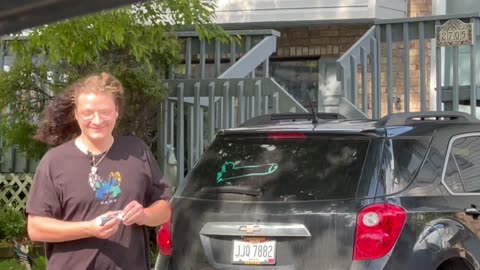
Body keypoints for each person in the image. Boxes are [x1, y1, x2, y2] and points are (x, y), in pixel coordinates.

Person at [26, 72, 171, 270]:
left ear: (116, 111)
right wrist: (89, 228)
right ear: (76, 114)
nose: (97, 120)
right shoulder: (54, 162)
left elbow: (164, 210)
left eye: (104, 112)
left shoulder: (137, 151)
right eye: (88, 113)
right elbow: (35, 228)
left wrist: (144, 215)